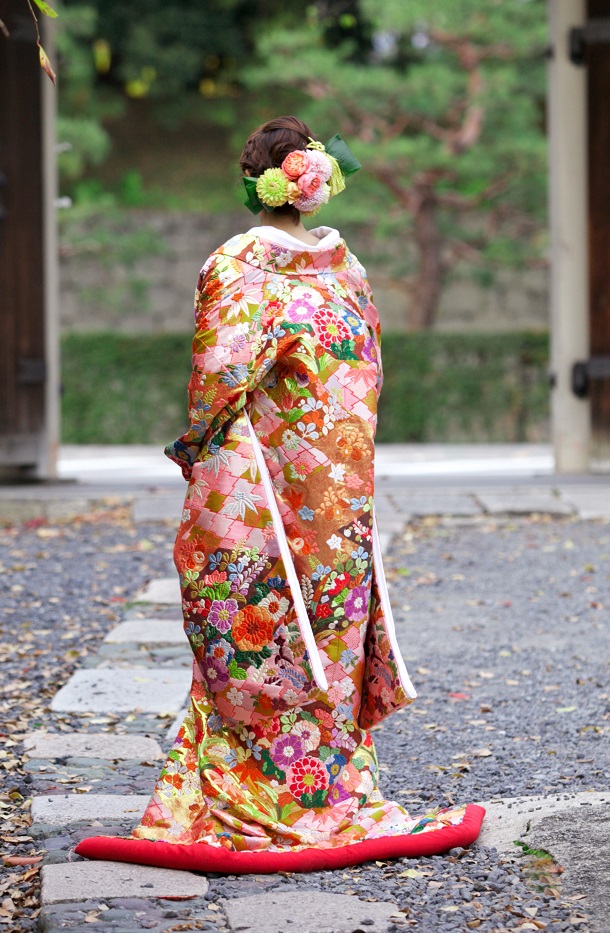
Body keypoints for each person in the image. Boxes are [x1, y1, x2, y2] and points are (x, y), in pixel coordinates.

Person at [76, 116, 484, 872]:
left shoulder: (238, 264)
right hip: (339, 485)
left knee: (258, 624)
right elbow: (367, 371)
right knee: (329, 625)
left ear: (253, 181)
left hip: (264, 483)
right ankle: (334, 788)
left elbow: (218, 379)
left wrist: (196, 449)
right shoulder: (347, 267)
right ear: (314, 181)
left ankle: (256, 791)